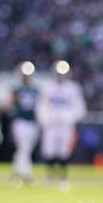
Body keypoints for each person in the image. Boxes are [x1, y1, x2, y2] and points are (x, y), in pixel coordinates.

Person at [36, 60, 85, 190]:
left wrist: (71, 118)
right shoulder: (47, 87)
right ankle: (49, 177)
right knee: (49, 151)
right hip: (51, 124)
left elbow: (79, 107)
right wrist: (44, 119)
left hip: (65, 124)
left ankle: (63, 178)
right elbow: (42, 105)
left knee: (64, 152)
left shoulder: (73, 88)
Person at [10, 62, 40, 185]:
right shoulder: (16, 90)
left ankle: (17, 171)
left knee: (26, 149)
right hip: (20, 121)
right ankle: (25, 172)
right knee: (24, 147)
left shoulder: (36, 90)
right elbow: (10, 105)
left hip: (32, 122)